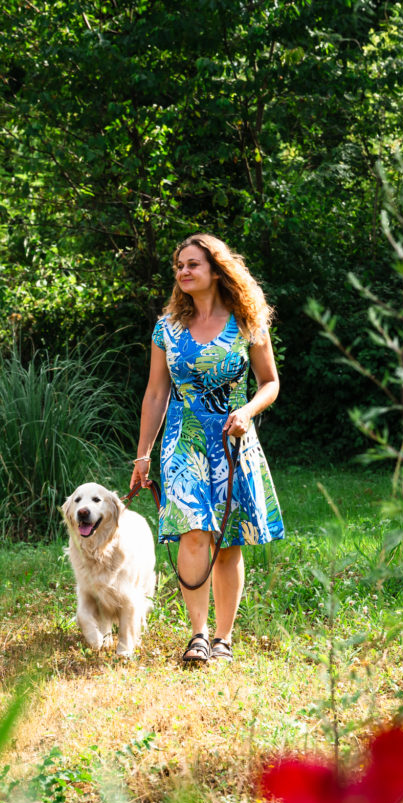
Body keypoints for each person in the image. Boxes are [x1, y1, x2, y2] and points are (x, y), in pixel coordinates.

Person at [129, 232, 284, 665]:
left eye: (192, 264)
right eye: (179, 266)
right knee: (193, 531)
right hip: (183, 441)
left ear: (216, 269)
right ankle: (197, 636)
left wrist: (248, 411)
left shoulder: (247, 321)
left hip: (233, 442)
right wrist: (143, 455)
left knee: (228, 540)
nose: (183, 272)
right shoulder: (167, 328)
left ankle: (223, 638)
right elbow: (156, 394)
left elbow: (269, 382)